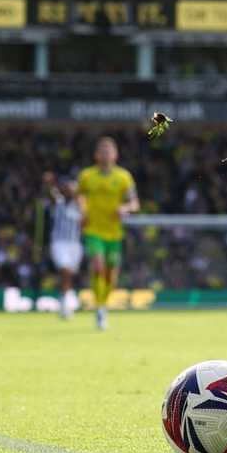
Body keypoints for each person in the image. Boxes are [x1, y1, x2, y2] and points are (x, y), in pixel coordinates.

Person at [76, 136, 138, 331]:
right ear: (96, 155)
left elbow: (135, 203)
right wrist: (83, 210)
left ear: (115, 155)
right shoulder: (87, 176)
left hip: (114, 233)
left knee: (111, 276)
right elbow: (80, 196)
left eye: (108, 151)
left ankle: (103, 304)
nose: (105, 154)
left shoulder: (123, 177)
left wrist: (125, 208)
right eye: (102, 151)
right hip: (93, 230)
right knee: (98, 266)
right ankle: (100, 308)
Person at [41, 172, 84, 321]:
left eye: (71, 187)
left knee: (69, 274)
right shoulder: (57, 202)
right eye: (66, 187)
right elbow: (51, 193)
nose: (68, 189)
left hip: (75, 244)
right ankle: (65, 304)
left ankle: (64, 299)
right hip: (59, 243)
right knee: (65, 270)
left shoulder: (80, 205)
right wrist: (48, 183)